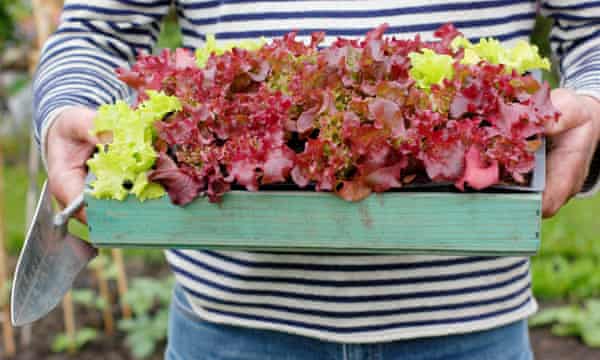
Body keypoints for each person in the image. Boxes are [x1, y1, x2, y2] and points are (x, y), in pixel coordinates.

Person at [35, 1, 600, 359]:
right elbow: (98, 31)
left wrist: (593, 107)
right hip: (231, 332)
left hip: (472, 330)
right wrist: (68, 109)